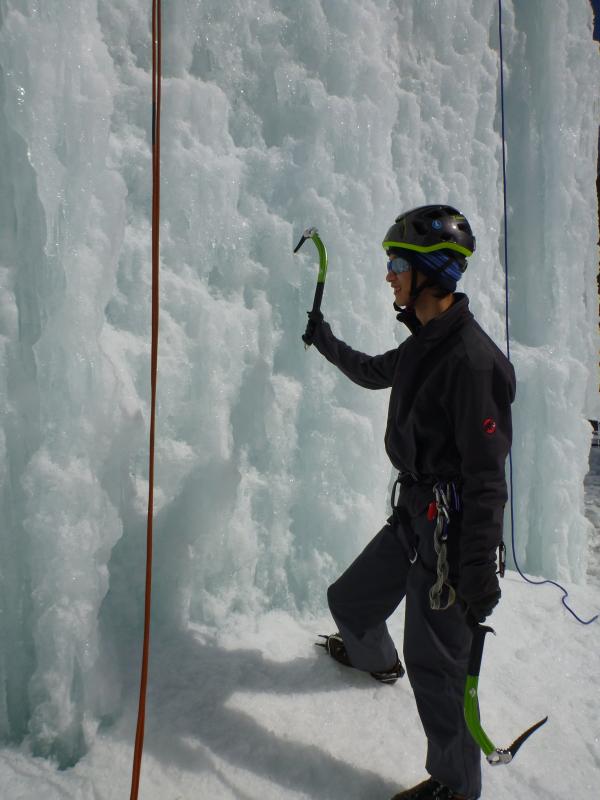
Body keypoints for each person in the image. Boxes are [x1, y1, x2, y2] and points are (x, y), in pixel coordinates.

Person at [303, 206, 516, 800]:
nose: (389, 275)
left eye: (397, 263)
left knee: (437, 669)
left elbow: (486, 479)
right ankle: (378, 660)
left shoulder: (474, 364)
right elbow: (374, 371)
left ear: (431, 273)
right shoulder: (426, 345)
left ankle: (456, 787)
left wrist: (476, 570)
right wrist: (324, 341)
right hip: (414, 516)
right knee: (349, 600)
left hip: (449, 541)